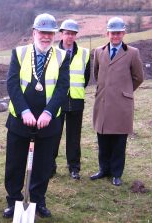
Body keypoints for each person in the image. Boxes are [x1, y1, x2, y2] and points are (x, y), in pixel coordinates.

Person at [3, 13, 70, 218]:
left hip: (48, 123)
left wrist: (49, 113)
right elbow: (12, 84)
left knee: (43, 165)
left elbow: (62, 87)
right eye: (42, 32)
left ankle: (37, 201)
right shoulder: (19, 53)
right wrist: (24, 111)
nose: (46, 37)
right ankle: (14, 202)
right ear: (34, 32)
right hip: (19, 121)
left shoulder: (61, 56)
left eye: (50, 33)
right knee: (15, 164)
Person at [90, 17, 144, 186]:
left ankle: (116, 173)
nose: (115, 36)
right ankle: (103, 169)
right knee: (103, 138)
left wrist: (125, 92)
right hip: (103, 103)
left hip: (122, 105)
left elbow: (139, 77)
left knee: (119, 141)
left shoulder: (132, 53)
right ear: (107, 33)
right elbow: (97, 73)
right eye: (113, 33)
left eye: (119, 33)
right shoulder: (99, 51)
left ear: (124, 33)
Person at [53, 19, 90, 180]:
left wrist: (76, 90)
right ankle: (50, 167)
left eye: (72, 34)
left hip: (76, 100)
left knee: (74, 137)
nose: (69, 36)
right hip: (57, 102)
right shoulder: (52, 52)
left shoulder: (84, 53)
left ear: (76, 36)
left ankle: (74, 167)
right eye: (67, 33)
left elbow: (86, 77)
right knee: (53, 135)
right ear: (61, 34)